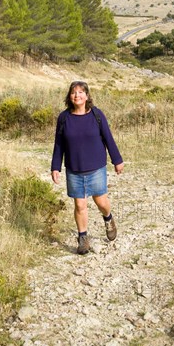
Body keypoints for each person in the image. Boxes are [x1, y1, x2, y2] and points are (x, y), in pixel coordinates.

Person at [51, 81, 124, 255]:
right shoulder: (64, 118)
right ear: (69, 96)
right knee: (80, 205)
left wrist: (117, 160)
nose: (77, 95)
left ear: (87, 96)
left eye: (81, 92)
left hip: (96, 167)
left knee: (101, 202)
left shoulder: (96, 115)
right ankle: (83, 238)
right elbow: (59, 144)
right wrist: (55, 167)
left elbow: (108, 138)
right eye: (74, 92)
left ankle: (108, 218)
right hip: (74, 169)